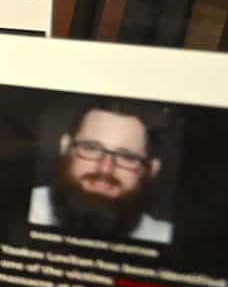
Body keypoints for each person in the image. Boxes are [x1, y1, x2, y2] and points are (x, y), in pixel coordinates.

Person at [28, 101, 173, 244]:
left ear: (151, 170)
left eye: (127, 157)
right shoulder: (15, 210)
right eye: (91, 148)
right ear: (65, 148)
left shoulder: (164, 238)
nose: (105, 169)